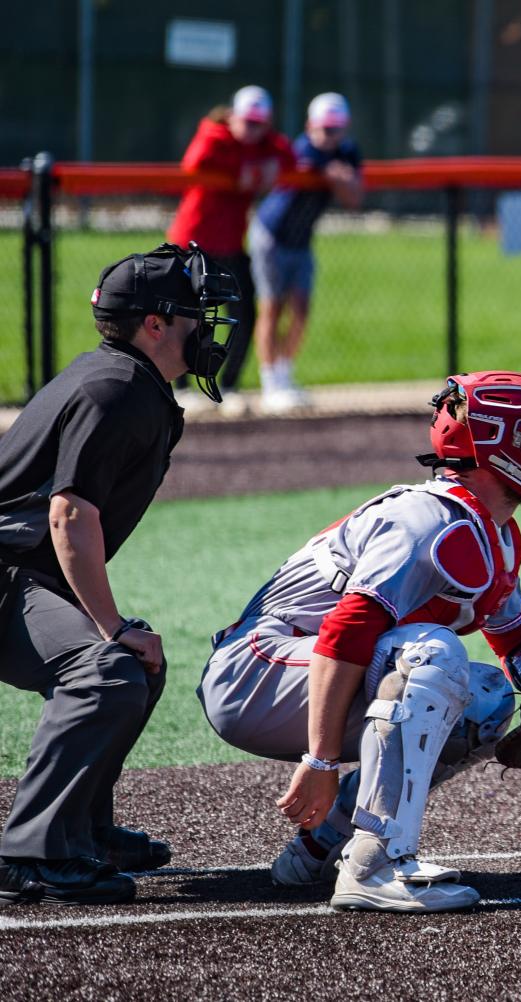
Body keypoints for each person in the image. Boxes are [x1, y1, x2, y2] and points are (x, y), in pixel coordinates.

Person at [197, 371, 521, 913]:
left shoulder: (490, 530)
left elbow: (514, 631)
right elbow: (345, 633)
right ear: (496, 448)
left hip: (301, 668)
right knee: (432, 656)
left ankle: (322, 845)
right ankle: (376, 865)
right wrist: (321, 763)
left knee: (489, 698)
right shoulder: (425, 520)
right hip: (253, 672)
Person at [0, 242, 240, 905]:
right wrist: (109, 627)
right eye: (194, 313)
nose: (206, 327)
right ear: (154, 325)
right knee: (107, 667)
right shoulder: (117, 390)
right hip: (8, 575)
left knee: (137, 661)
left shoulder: (124, 379)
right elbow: (69, 514)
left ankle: (82, 827)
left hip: (20, 573)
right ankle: (36, 850)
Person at [167, 85, 295, 415]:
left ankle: (228, 387)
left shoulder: (265, 144)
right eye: (247, 122)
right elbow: (195, 161)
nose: (252, 130)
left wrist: (267, 164)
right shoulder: (215, 134)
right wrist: (244, 170)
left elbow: (288, 156)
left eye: (259, 123)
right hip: (194, 240)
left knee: (242, 315)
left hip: (230, 245)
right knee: (187, 315)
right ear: (234, 116)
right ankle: (181, 388)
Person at [250, 92, 364, 413]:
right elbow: (315, 172)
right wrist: (333, 175)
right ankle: (270, 381)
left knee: (300, 309)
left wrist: (339, 179)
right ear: (309, 126)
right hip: (272, 236)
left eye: (335, 129)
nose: (328, 137)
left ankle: (285, 376)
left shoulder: (348, 152)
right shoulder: (300, 150)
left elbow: (354, 198)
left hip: (301, 241)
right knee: (272, 307)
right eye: (323, 129)